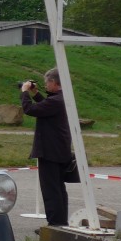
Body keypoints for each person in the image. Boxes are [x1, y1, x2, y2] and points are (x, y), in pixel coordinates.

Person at [20, 68, 73, 227]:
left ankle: (55, 224)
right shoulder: (62, 99)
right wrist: (35, 94)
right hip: (59, 150)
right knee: (58, 188)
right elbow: (45, 106)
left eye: (46, 83)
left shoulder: (56, 101)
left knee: (51, 190)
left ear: (54, 83)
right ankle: (60, 222)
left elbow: (31, 110)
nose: (45, 85)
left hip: (50, 151)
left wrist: (24, 93)